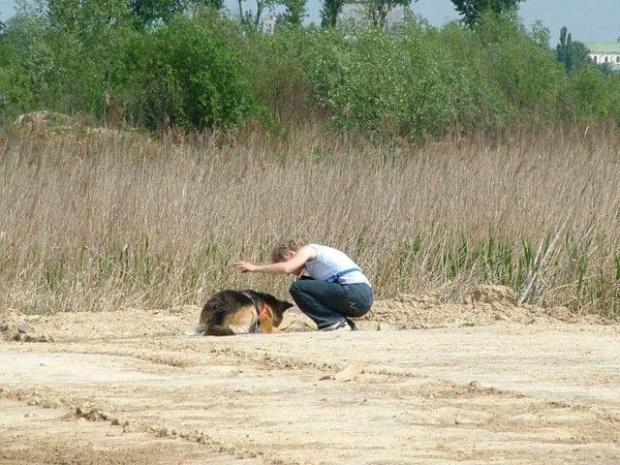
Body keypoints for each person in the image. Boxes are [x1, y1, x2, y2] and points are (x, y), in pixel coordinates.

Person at [233, 241, 373, 331]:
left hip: (355, 292)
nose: (288, 274)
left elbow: (287, 268)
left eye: (281, 261)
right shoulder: (316, 265)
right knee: (306, 283)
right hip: (363, 297)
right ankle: (347, 325)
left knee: (298, 287)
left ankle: (334, 324)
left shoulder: (308, 250)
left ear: (291, 254)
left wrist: (255, 268)